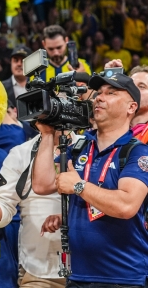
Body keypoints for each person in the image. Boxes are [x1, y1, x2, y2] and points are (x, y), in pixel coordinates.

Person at [32, 72, 148, 287]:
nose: (100, 98)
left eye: (111, 93)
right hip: (78, 276)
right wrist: (47, 134)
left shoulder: (138, 152)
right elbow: (42, 184)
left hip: (124, 277)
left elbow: (126, 206)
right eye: (99, 93)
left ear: (131, 107)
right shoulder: (80, 147)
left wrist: (78, 186)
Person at [0, 132, 74, 288]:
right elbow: (2, 214)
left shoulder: (89, 146)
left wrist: (67, 217)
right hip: (39, 272)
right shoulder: (21, 153)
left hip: (92, 268)